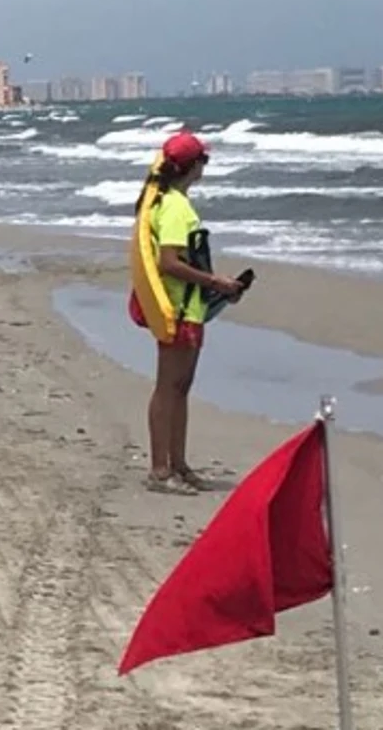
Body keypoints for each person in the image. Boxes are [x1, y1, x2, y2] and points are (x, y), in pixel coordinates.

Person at [134, 131, 245, 496]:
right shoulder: (175, 208)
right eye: (204, 160)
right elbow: (169, 263)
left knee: (180, 387)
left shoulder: (167, 201)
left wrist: (217, 290)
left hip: (189, 307)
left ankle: (178, 464)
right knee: (168, 387)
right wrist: (215, 280)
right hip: (177, 310)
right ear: (194, 167)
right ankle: (160, 470)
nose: (204, 166)